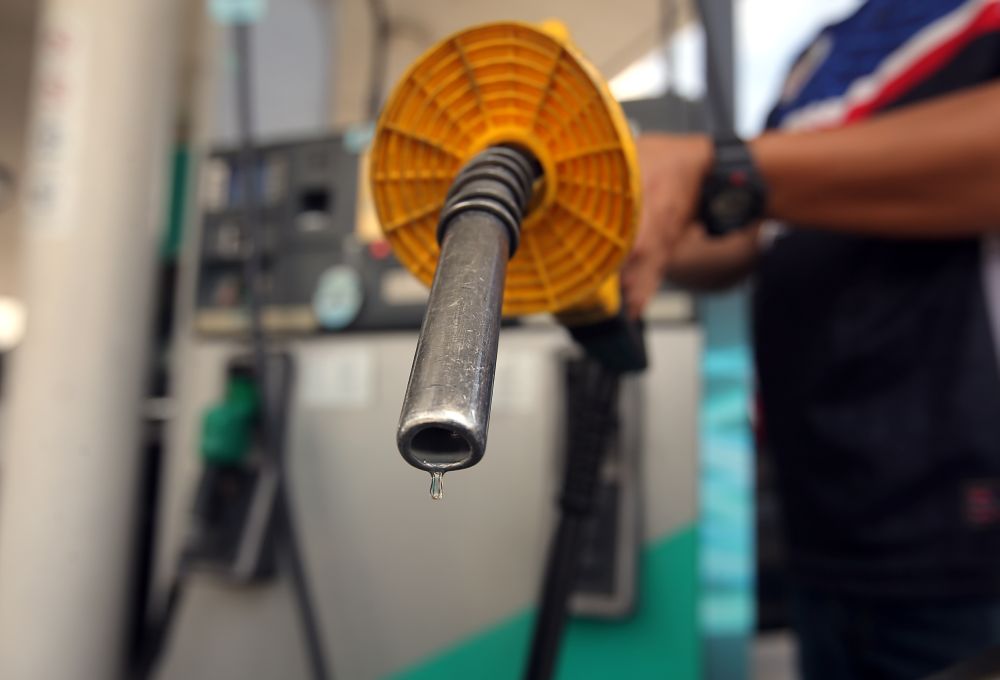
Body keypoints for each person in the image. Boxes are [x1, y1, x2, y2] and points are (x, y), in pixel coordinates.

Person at [620, 1, 1000, 678]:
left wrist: (721, 164)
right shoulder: (820, 56)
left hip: (964, 542)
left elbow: (750, 179)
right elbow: (745, 228)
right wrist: (620, 227)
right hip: (827, 527)